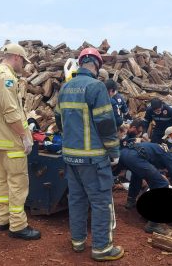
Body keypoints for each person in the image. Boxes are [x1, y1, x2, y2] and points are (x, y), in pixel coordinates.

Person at [56, 47, 124, 261]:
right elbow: (105, 122)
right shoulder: (96, 87)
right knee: (101, 202)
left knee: (76, 200)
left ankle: (78, 242)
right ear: (96, 65)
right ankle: (102, 248)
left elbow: (59, 121)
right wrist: (114, 151)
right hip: (93, 159)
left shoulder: (65, 88)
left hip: (70, 157)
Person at [0, 43, 40, 240]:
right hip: (11, 139)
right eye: (23, 61)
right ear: (16, 57)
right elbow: (10, 111)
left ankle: (4, 219)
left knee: (2, 180)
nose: (23, 65)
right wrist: (24, 136)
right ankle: (17, 225)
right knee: (17, 182)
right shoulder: (7, 77)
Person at [119, 140, 172, 233]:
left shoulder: (159, 150)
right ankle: (153, 225)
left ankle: (131, 201)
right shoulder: (169, 157)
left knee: (137, 174)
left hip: (124, 153)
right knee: (162, 185)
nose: (165, 170)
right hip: (134, 157)